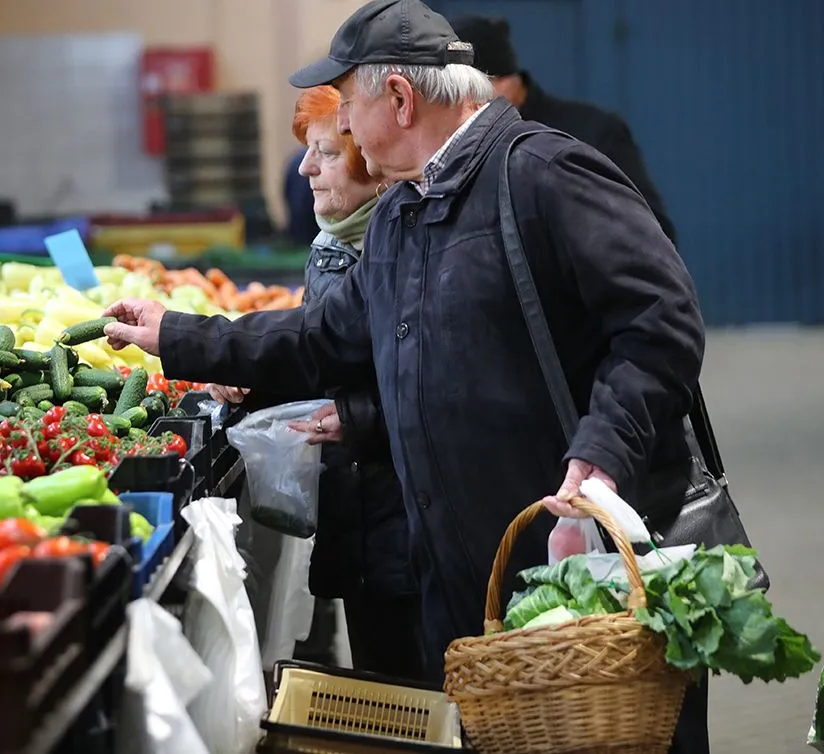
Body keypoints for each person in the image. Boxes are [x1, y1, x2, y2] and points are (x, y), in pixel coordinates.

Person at [102, 1, 709, 749]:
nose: (346, 128)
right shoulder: (403, 216)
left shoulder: (543, 174)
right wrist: (182, 336)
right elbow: (327, 334)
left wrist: (604, 454)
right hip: (463, 586)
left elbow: (661, 318)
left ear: (398, 97)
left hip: (576, 567)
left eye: (351, 101)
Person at [208, 85, 425, 679]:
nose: (305, 168)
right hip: (365, 522)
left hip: (405, 526)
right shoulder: (333, 244)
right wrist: (256, 380)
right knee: (386, 679)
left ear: (371, 162)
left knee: (417, 690)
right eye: (309, 151)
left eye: (326, 153)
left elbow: (428, 383)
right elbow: (331, 357)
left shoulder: (404, 249)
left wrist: (354, 415)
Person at [450, 15, 677, 244]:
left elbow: (653, 237)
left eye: (464, 93)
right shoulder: (447, 145)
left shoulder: (593, 132)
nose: (457, 108)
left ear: (506, 82)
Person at [283, 146, 320, 246]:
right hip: (311, 227)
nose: (303, 169)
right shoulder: (303, 160)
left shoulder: (296, 159)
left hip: (298, 230)